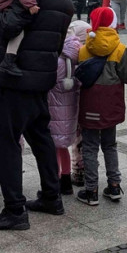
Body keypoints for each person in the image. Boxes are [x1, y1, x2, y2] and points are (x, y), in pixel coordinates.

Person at [0, 0, 75, 231]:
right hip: (42, 76)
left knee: (3, 140)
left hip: (15, 77)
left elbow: (9, 25)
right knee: (40, 136)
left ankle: (15, 210)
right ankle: (51, 196)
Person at [75, 7, 127, 206]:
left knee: (90, 147)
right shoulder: (119, 49)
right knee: (110, 145)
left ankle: (91, 190)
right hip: (112, 105)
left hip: (89, 105)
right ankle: (114, 186)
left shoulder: (84, 49)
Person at [49, 20, 85, 195]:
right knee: (64, 146)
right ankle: (66, 180)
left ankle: (55, 181)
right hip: (71, 111)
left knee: (54, 146)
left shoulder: (55, 61)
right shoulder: (76, 57)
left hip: (53, 110)